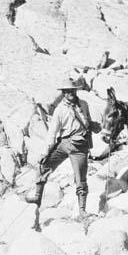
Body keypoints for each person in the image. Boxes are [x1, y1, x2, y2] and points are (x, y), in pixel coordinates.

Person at [27, 76, 98, 219]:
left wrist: (96, 126)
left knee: (81, 180)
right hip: (64, 144)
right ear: (63, 93)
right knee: (43, 166)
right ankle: (37, 197)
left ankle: (82, 210)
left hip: (80, 146)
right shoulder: (59, 110)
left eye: (71, 91)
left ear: (75, 91)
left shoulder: (84, 105)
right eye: (66, 91)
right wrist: (45, 152)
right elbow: (52, 133)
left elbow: (88, 122)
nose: (69, 94)